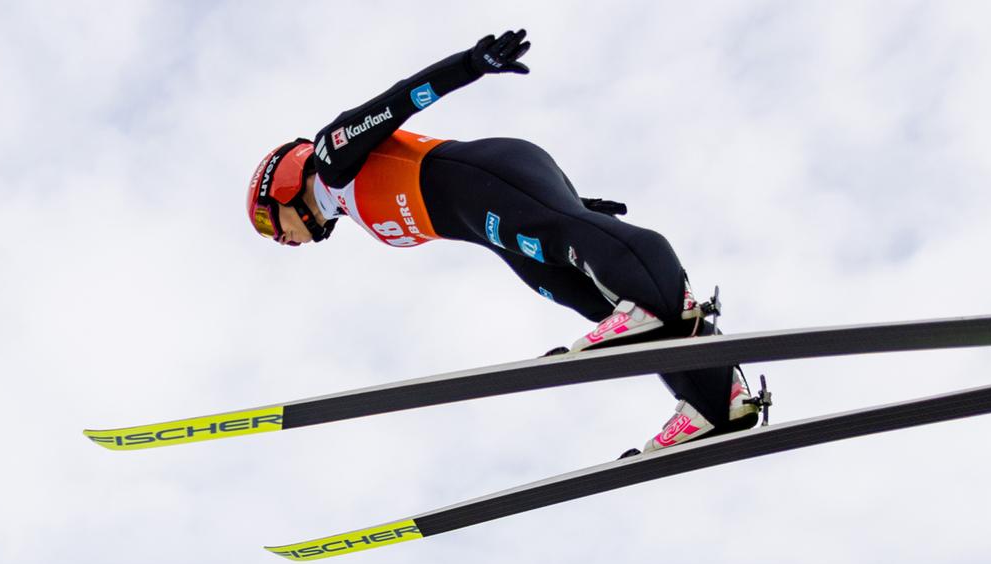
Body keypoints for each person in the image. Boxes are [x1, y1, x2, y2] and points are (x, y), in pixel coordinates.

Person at [247, 29, 761, 454]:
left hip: (488, 176)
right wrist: (578, 209)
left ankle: (656, 295)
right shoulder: (348, 206)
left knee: (581, 252)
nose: (283, 239)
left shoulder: (331, 157)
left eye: (271, 224)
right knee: (588, 299)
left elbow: (398, 101)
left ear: (283, 183)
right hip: (491, 221)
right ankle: (717, 401)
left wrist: (471, 65)